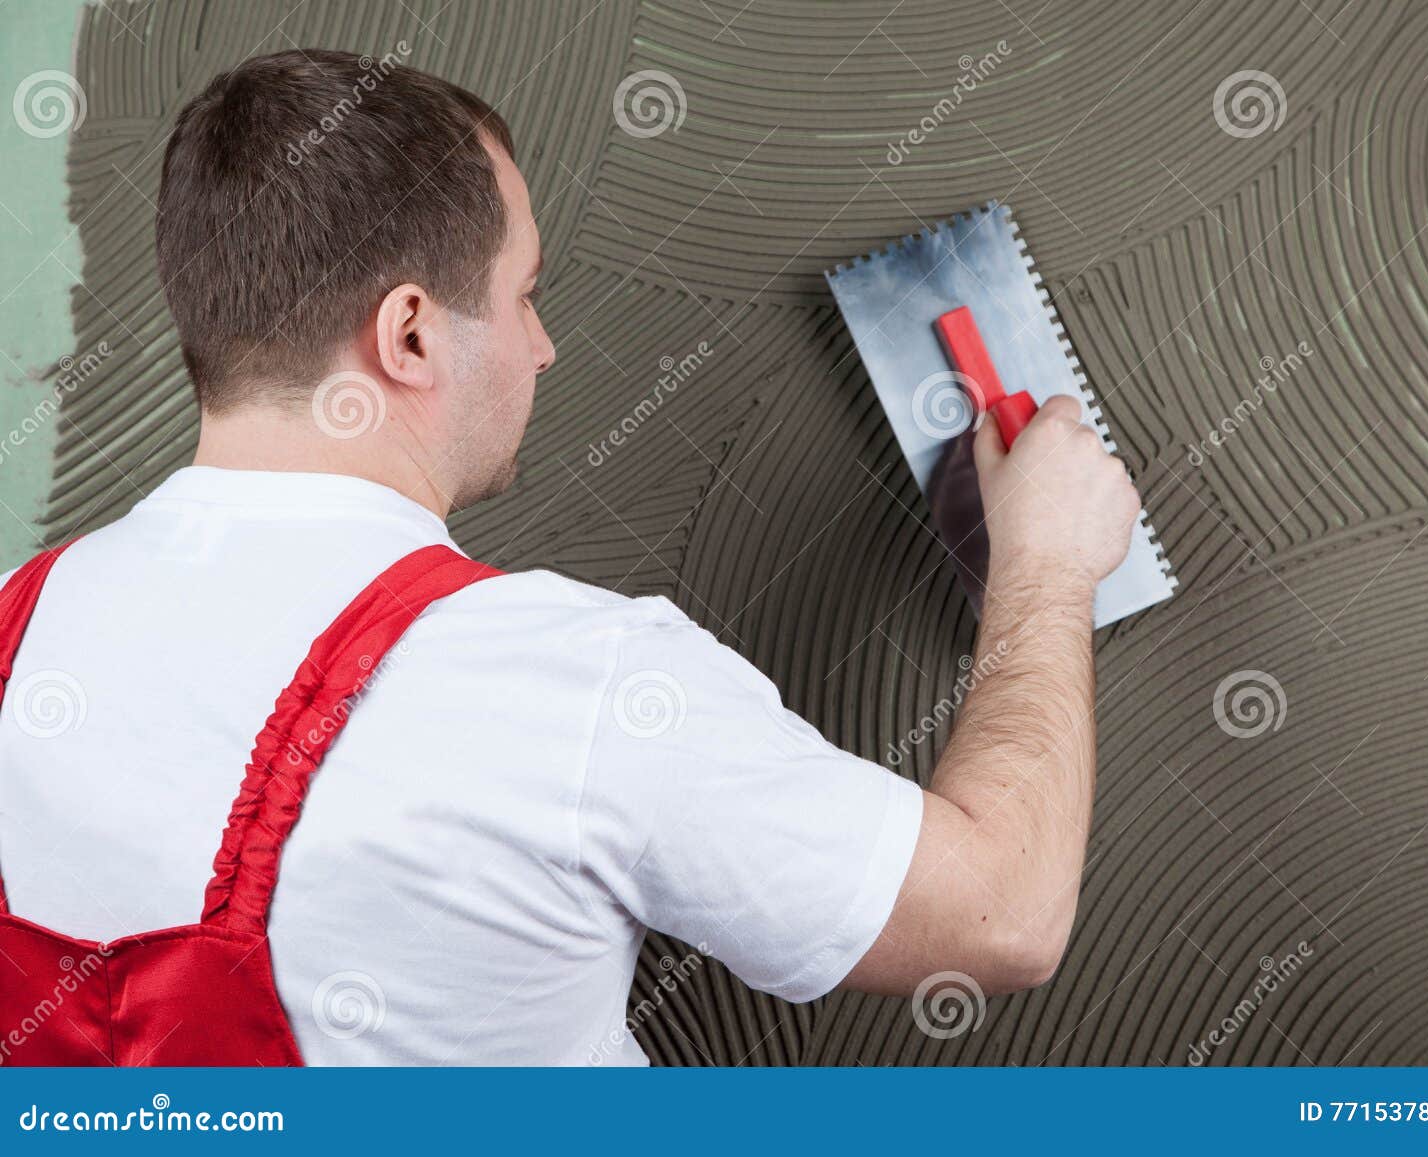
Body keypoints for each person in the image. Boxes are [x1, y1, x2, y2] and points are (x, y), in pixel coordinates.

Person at [0, 50, 1139, 1065]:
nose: (541, 346)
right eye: (523, 293)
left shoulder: (17, 627)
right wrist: (1043, 564)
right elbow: (999, 914)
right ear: (409, 335)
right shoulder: (580, 685)